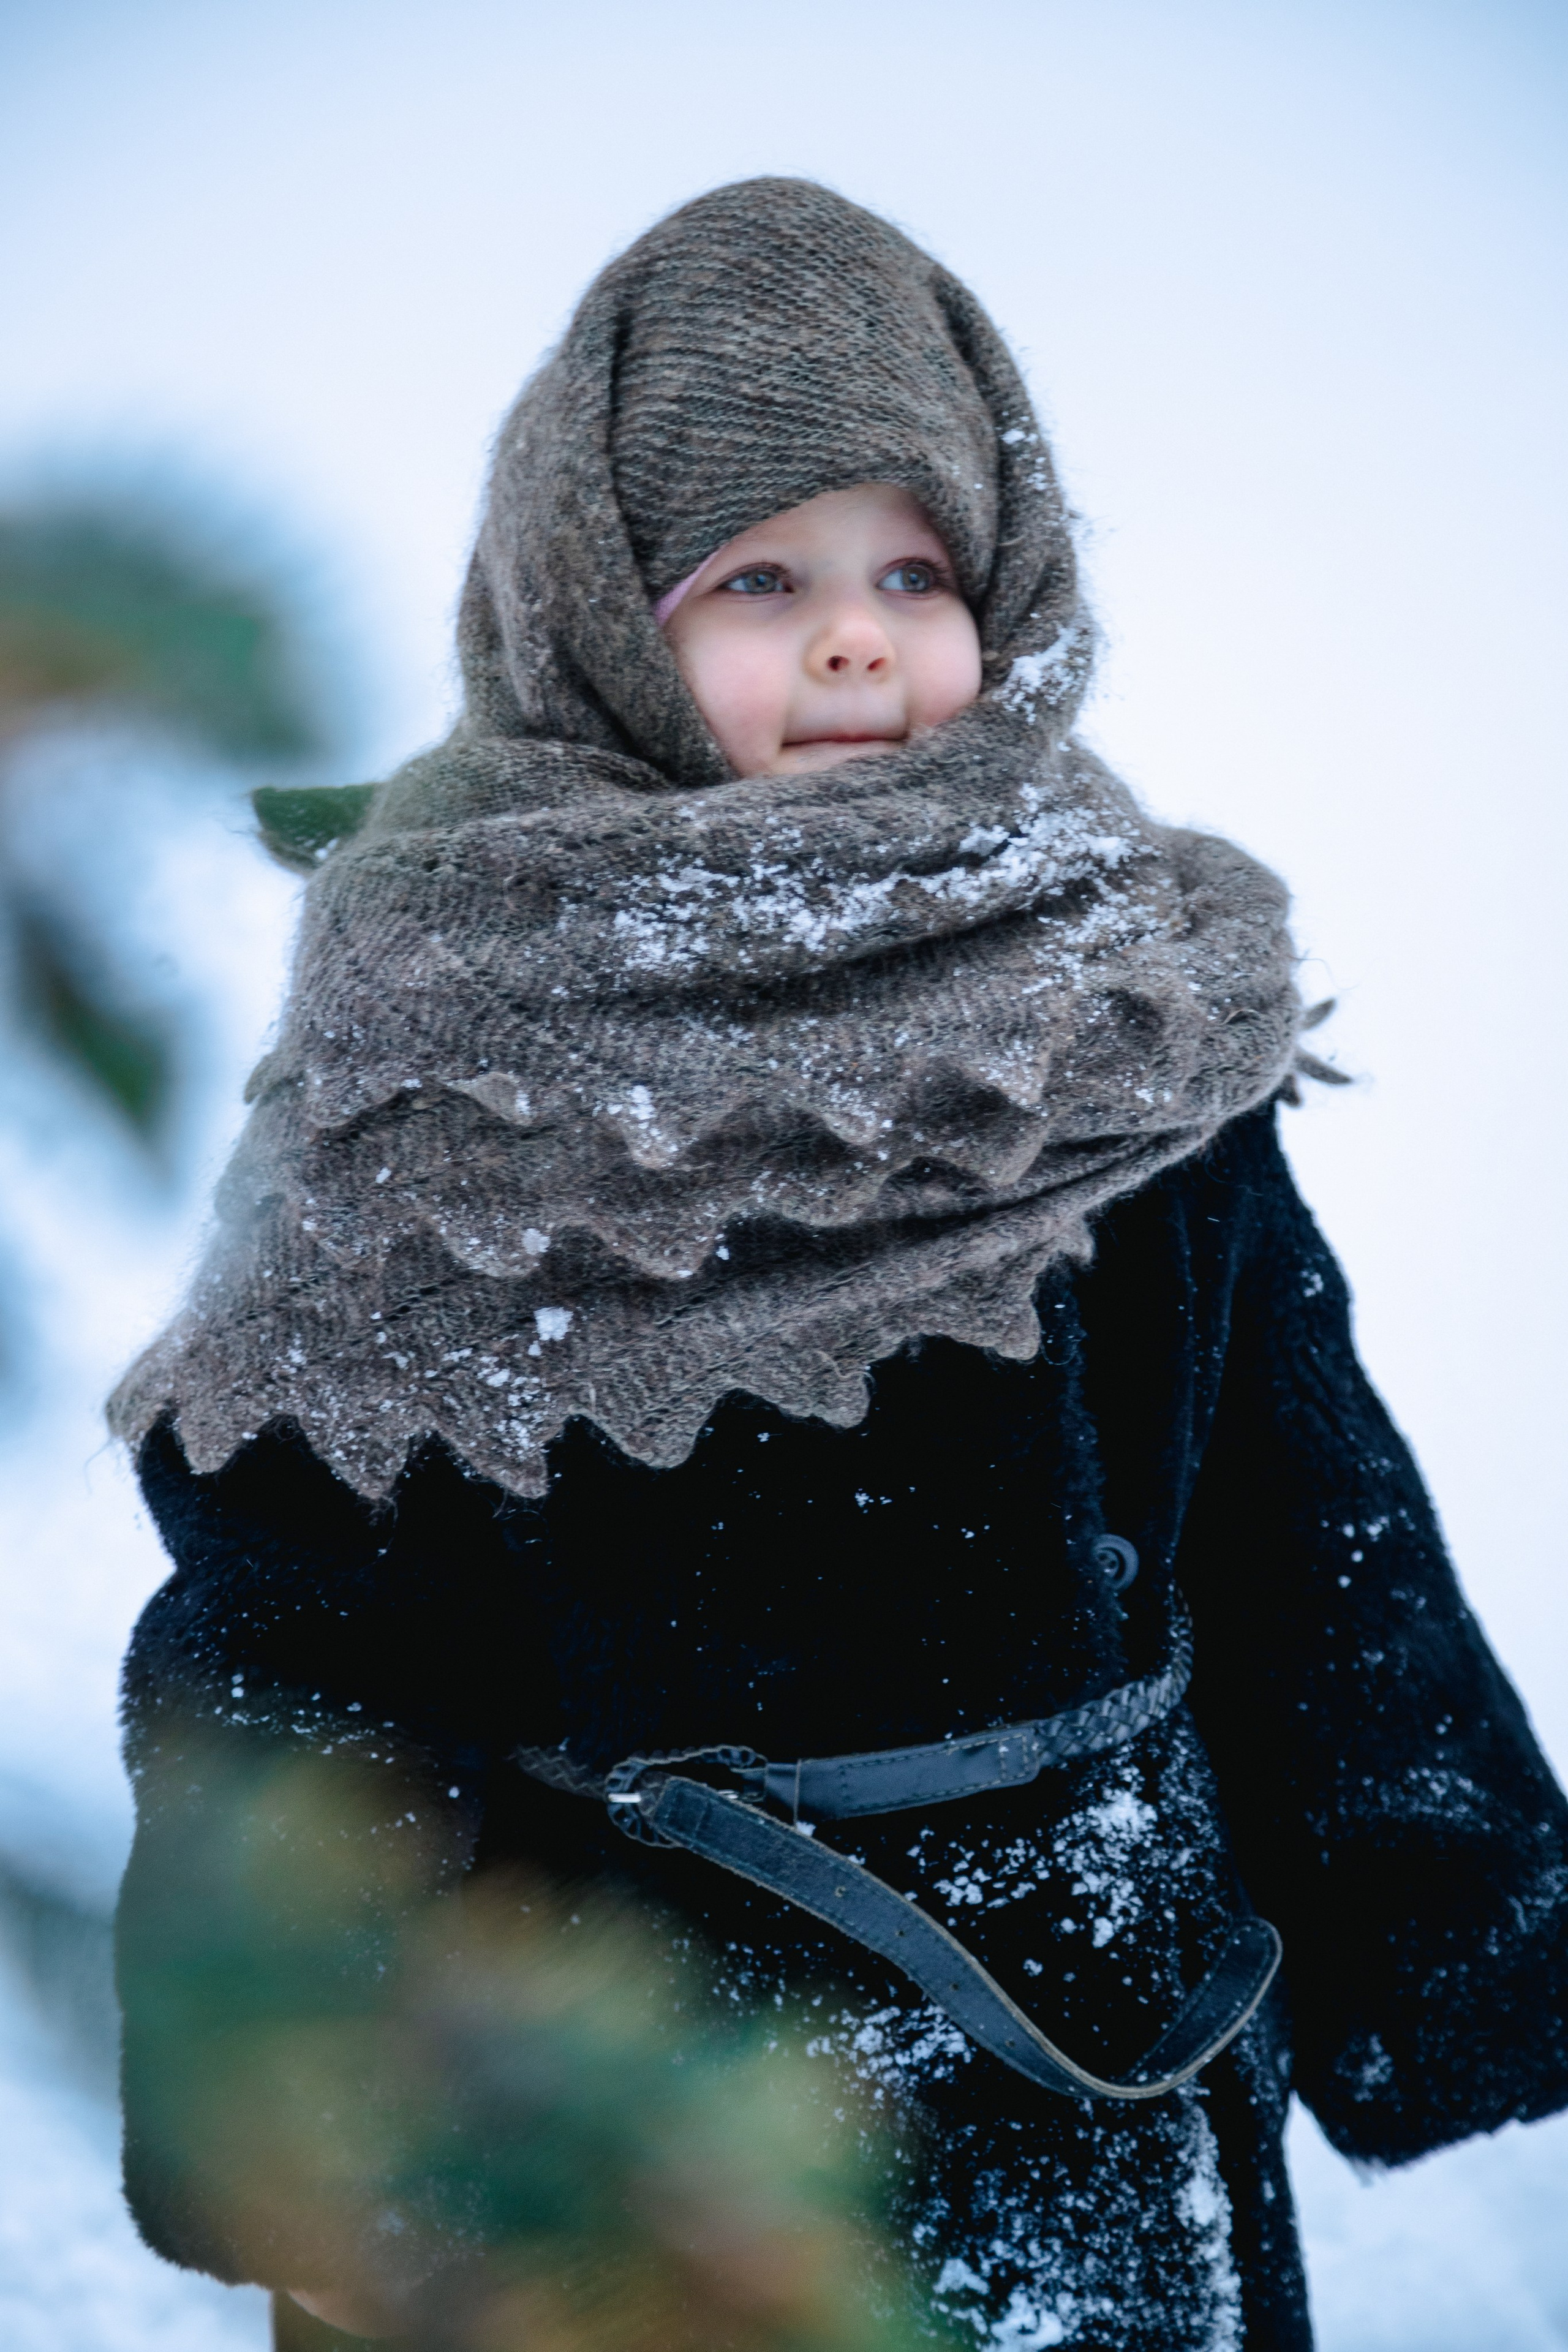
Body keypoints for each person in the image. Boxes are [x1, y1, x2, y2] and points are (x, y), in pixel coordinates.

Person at [110, 179, 1568, 2351]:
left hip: (1095, 2047)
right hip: (620, 2117)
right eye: (759, 579)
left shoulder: (1115, 1008)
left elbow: (1306, 1523)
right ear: (593, 612)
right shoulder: (443, 1048)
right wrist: (293, 2117)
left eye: (915, 568)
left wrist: (1457, 1945)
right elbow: (295, 1660)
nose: (861, 635)